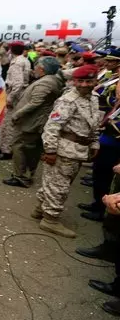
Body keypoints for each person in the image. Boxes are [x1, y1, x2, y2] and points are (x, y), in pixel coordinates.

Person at [32, 65, 100, 238]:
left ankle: (40, 209)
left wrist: (94, 143)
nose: (84, 84)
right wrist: (51, 150)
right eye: (80, 81)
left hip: (79, 150)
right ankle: (50, 220)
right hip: (64, 149)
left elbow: (94, 123)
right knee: (59, 187)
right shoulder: (68, 100)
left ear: (95, 81)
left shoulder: (93, 98)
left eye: (89, 81)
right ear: (74, 81)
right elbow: (52, 127)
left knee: (56, 182)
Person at [3, 57, 64, 188]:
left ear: (42, 69)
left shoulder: (46, 83)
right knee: (28, 148)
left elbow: (35, 103)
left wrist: (17, 114)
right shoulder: (51, 80)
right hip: (33, 121)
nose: (33, 70)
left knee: (21, 147)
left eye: (36, 67)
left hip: (31, 122)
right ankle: (25, 174)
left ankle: (21, 177)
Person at [80, 49, 120, 221]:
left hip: (114, 140)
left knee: (104, 173)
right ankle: (97, 203)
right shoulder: (112, 77)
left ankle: (101, 209)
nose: (107, 63)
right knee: (100, 171)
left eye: (112, 61)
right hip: (107, 133)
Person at [0, 41, 31, 160]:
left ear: (11, 50)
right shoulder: (25, 60)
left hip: (15, 97)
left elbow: (18, 83)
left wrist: (10, 97)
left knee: (9, 124)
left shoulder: (17, 63)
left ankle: (7, 151)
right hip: (21, 95)